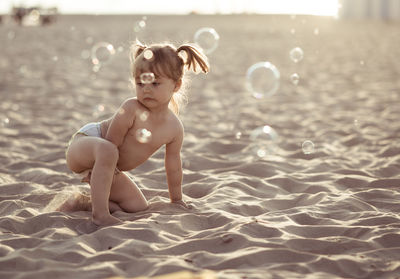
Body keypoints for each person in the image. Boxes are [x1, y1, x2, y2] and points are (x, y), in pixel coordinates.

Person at [61, 41, 209, 226]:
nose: (146, 88)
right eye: (140, 83)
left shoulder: (174, 128)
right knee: (108, 150)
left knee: (137, 206)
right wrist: (101, 169)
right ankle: (100, 214)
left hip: (106, 165)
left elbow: (173, 166)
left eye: (155, 83)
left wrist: (177, 199)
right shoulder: (132, 108)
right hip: (88, 145)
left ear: (176, 85)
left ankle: (83, 202)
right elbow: (111, 142)